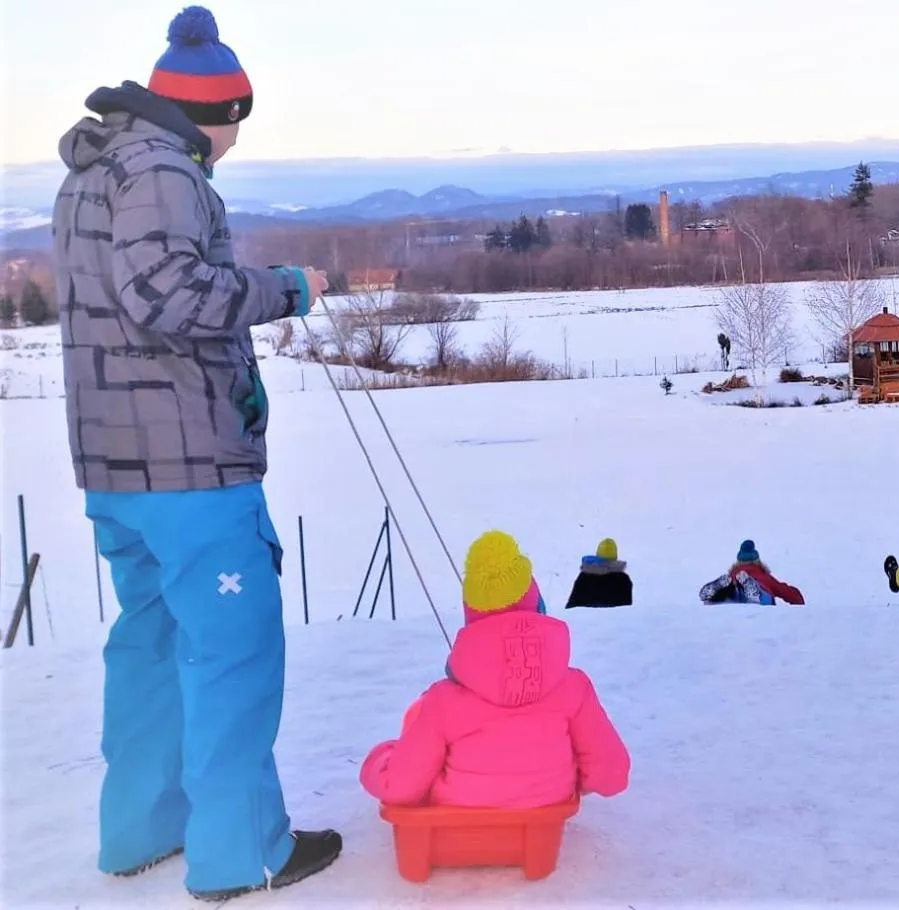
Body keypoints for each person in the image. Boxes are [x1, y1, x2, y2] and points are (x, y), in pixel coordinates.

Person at [51, 6, 335, 901]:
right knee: (232, 653)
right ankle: (240, 853)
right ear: (226, 113)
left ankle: (143, 827)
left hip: (114, 469)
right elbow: (168, 296)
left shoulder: (97, 169)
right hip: (189, 470)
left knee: (152, 643)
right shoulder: (168, 171)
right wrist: (287, 288)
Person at [361, 531, 631, 808]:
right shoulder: (574, 688)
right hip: (544, 830)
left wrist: (384, 756)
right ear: (537, 607)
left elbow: (398, 788)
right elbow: (612, 775)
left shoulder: (442, 702)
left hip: (460, 832)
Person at [699, 540, 805, 605]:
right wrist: (797, 597)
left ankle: (717, 595)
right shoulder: (764, 576)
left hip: (735, 590)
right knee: (763, 595)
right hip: (761, 590)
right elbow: (786, 591)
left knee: (730, 593)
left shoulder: (733, 575)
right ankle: (753, 593)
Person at [565, 538, 634, 608]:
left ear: (598, 554)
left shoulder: (584, 576)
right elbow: (626, 608)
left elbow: (572, 605)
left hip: (583, 617)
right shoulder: (624, 579)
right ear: (615, 555)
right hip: (613, 618)